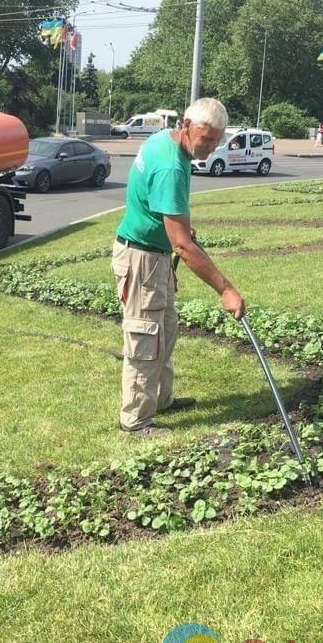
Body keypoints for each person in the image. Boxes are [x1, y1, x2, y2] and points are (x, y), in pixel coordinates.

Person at [112, 97, 245, 437]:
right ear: (187, 126)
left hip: (155, 255)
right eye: (206, 139)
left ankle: (161, 399)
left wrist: (178, 230)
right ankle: (136, 421)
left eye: (217, 140)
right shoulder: (171, 166)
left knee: (166, 328)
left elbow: (161, 208)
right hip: (142, 259)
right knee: (146, 338)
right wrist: (226, 289)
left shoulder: (164, 140)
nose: (211, 147)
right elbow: (183, 246)